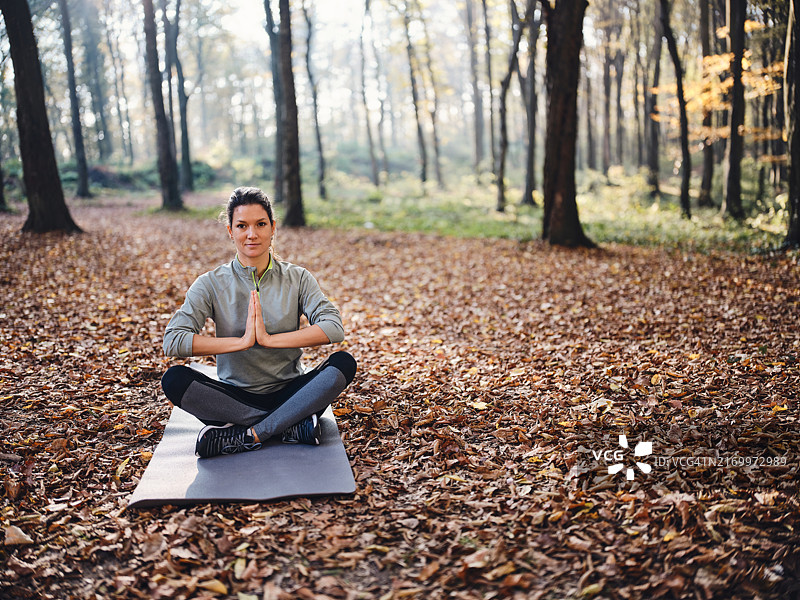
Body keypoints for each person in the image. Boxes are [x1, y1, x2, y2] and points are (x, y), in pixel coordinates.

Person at [161, 186, 357, 458]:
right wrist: (241, 343)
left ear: (273, 228)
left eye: (260, 224)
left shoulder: (298, 278)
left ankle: (249, 434)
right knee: (174, 379)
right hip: (234, 399)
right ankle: (288, 425)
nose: (251, 234)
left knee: (343, 363)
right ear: (230, 231)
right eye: (242, 226)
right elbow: (173, 340)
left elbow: (334, 327)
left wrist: (269, 340)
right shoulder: (210, 283)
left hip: (292, 392)